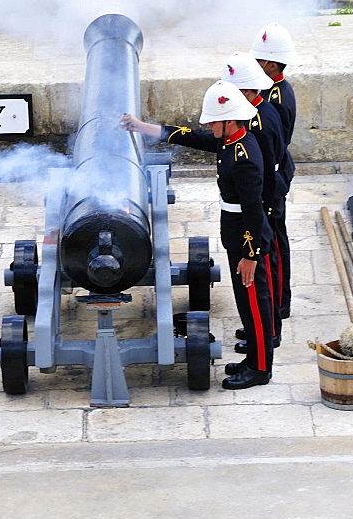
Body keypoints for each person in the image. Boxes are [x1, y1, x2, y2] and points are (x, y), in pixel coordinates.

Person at [121, 81, 275, 389]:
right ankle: (254, 359)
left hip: (247, 238)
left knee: (255, 305)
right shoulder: (230, 140)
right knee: (246, 303)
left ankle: (260, 369)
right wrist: (143, 127)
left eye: (214, 120)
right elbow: (191, 137)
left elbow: (253, 210)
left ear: (230, 120)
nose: (208, 125)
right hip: (237, 234)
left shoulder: (243, 157)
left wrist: (250, 255)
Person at [220, 51, 286, 354]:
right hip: (261, 199)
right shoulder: (253, 114)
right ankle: (262, 327)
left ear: (247, 91)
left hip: (264, 200)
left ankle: (269, 331)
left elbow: (267, 168)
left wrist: (265, 211)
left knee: (266, 269)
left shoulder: (259, 121)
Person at [249, 21, 299, 320]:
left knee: (276, 245)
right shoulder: (270, 89)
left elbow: (274, 143)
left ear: (269, 62)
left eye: (258, 60)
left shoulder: (276, 96)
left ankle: (279, 306)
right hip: (272, 171)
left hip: (274, 175)